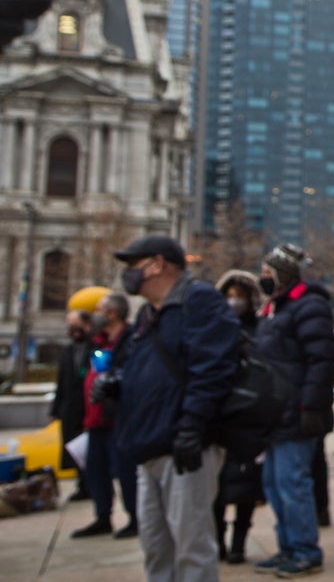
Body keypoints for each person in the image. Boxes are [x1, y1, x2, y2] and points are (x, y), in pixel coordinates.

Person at [106, 235, 240, 582]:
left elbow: (213, 369)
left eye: (133, 266)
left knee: (191, 546)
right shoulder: (149, 315)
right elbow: (143, 369)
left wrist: (192, 425)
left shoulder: (200, 301)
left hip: (186, 447)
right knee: (156, 545)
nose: (129, 275)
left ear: (157, 264)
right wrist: (117, 383)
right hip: (149, 446)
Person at [252, 243, 334, 578]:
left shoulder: (309, 305)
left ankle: (305, 551)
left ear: (282, 275)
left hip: (296, 412)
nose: (263, 280)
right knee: (274, 484)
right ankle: (288, 547)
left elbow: (322, 360)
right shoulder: (277, 307)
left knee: (292, 483)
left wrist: (310, 406)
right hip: (276, 413)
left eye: (267, 274)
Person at [73, 292, 138, 539]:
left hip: (118, 420)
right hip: (96, 420)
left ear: (112, 313)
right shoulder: (99, 342)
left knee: (124, 472)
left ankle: (134, 518)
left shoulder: (131, 339)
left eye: (100, 310)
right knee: (96, 470)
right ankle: (102, 516)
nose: (95, 315)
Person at [211, 270, 265, 564]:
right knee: (215, 489)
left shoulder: (260, 329)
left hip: (247, 417)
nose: (234, 302)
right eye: (229, 296)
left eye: (240, 297)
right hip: (219, 417)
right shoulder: (214, 329)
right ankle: (217, 538)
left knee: (245, 486)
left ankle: (239, 542)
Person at [51, 306, 93, 502]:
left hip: (89, 407)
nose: (73, 329)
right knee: (73, 450)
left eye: (77, 325)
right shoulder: (67, 351)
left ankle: (92, 484)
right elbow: (61, 381)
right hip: (70, 408)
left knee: (91, 450)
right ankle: (81, 484)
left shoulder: (95, 347)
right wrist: (56, 409)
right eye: (70, 326)